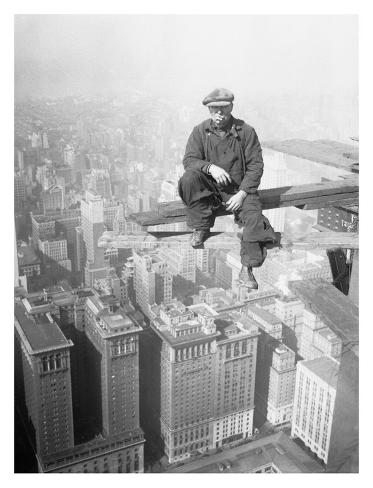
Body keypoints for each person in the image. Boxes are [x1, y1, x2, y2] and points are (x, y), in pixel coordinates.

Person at [178, 88, 277, 289]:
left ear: (231, 107)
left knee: (254, 218)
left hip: (239, 189)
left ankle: (247, 269)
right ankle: (201, 227)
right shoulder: (200, 131)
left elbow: (255, 166)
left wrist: (242, 194)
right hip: (211, 190)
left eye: (223, 109)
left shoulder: (246, 132)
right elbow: (189, 160)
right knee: (189, 179)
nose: (219, 114)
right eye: (214, 109)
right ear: (208, 110)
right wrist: (210, 167)